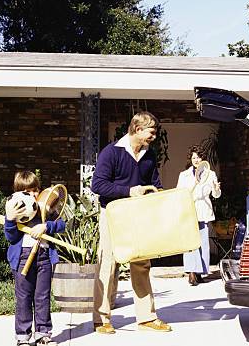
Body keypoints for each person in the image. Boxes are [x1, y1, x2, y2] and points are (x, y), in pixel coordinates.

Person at [91, 111, 171, 334]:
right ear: (137, 129)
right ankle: (101, 319)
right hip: (112, 214)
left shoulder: (149, 155)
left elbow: (155, 182)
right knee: (108, 264)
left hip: (138, 216)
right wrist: (128, 191)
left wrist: (160, 197)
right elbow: (97, 186)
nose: (154, 137)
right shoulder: (111, 153)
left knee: (141, 264)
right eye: (151, 132)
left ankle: (146, 318)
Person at [4, 170, 65, 346]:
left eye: (35, 190)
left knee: (42, 296)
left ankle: (43, 334)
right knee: (23, 297)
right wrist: (10, 220)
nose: (32, 195)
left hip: (44, 257)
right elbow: (11, 237)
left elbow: (61, 224)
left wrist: (46, 226)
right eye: (27, 191)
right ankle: (23, 336)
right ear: (19, 192)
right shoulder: (15, 208)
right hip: (22, 258)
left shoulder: (45, 208)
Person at [177, 145, 221, 285]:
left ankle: (200, 272)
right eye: (194, 157)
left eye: (198, 157)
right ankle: (191, 272)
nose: (196, 160)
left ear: (203, 159)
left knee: (203, 242)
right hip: (189, 209)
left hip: (203, 210)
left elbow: (216, 195)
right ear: (190, 159)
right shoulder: (183, 175)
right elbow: (180, 193)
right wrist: (194, 184)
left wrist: (216, 189)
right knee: (191, 242)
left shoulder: (211, 174)